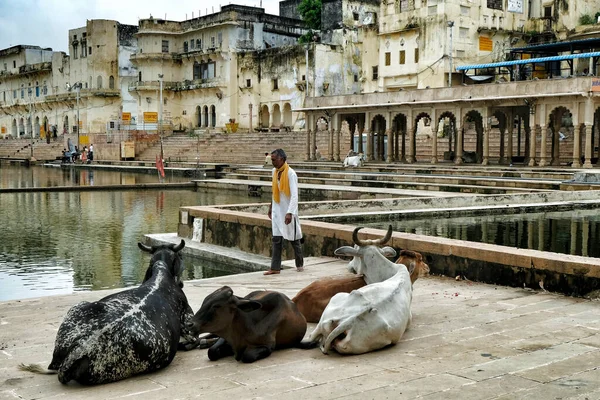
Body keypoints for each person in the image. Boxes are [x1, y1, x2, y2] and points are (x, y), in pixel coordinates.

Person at [264, 149, 304, 275]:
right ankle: (275, 268)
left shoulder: (291, 174)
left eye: (274, 160)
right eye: (272, 160)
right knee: (276, 239)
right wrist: (271, 207)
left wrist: (290, 212)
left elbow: (294, 196)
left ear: (282, 159)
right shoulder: (274, 172)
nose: (273, 162)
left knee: (293, 239)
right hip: (277, 209)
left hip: (287, 210)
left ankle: (299, 264)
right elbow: (274, 191)